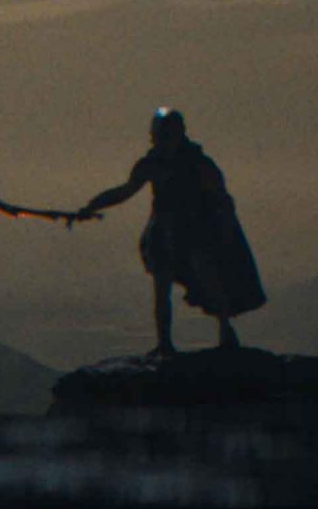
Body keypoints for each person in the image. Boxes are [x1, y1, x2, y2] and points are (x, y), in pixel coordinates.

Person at [79, 108, 266, 354]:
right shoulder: (151, 164)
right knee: (162, 288)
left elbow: (220, 197)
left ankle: (225, 333)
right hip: (164, 233)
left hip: (195, 231)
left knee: (211, 281)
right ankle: (165, 343)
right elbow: (126, 191)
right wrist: (93, 205)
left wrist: (222, 227)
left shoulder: (198, 164)